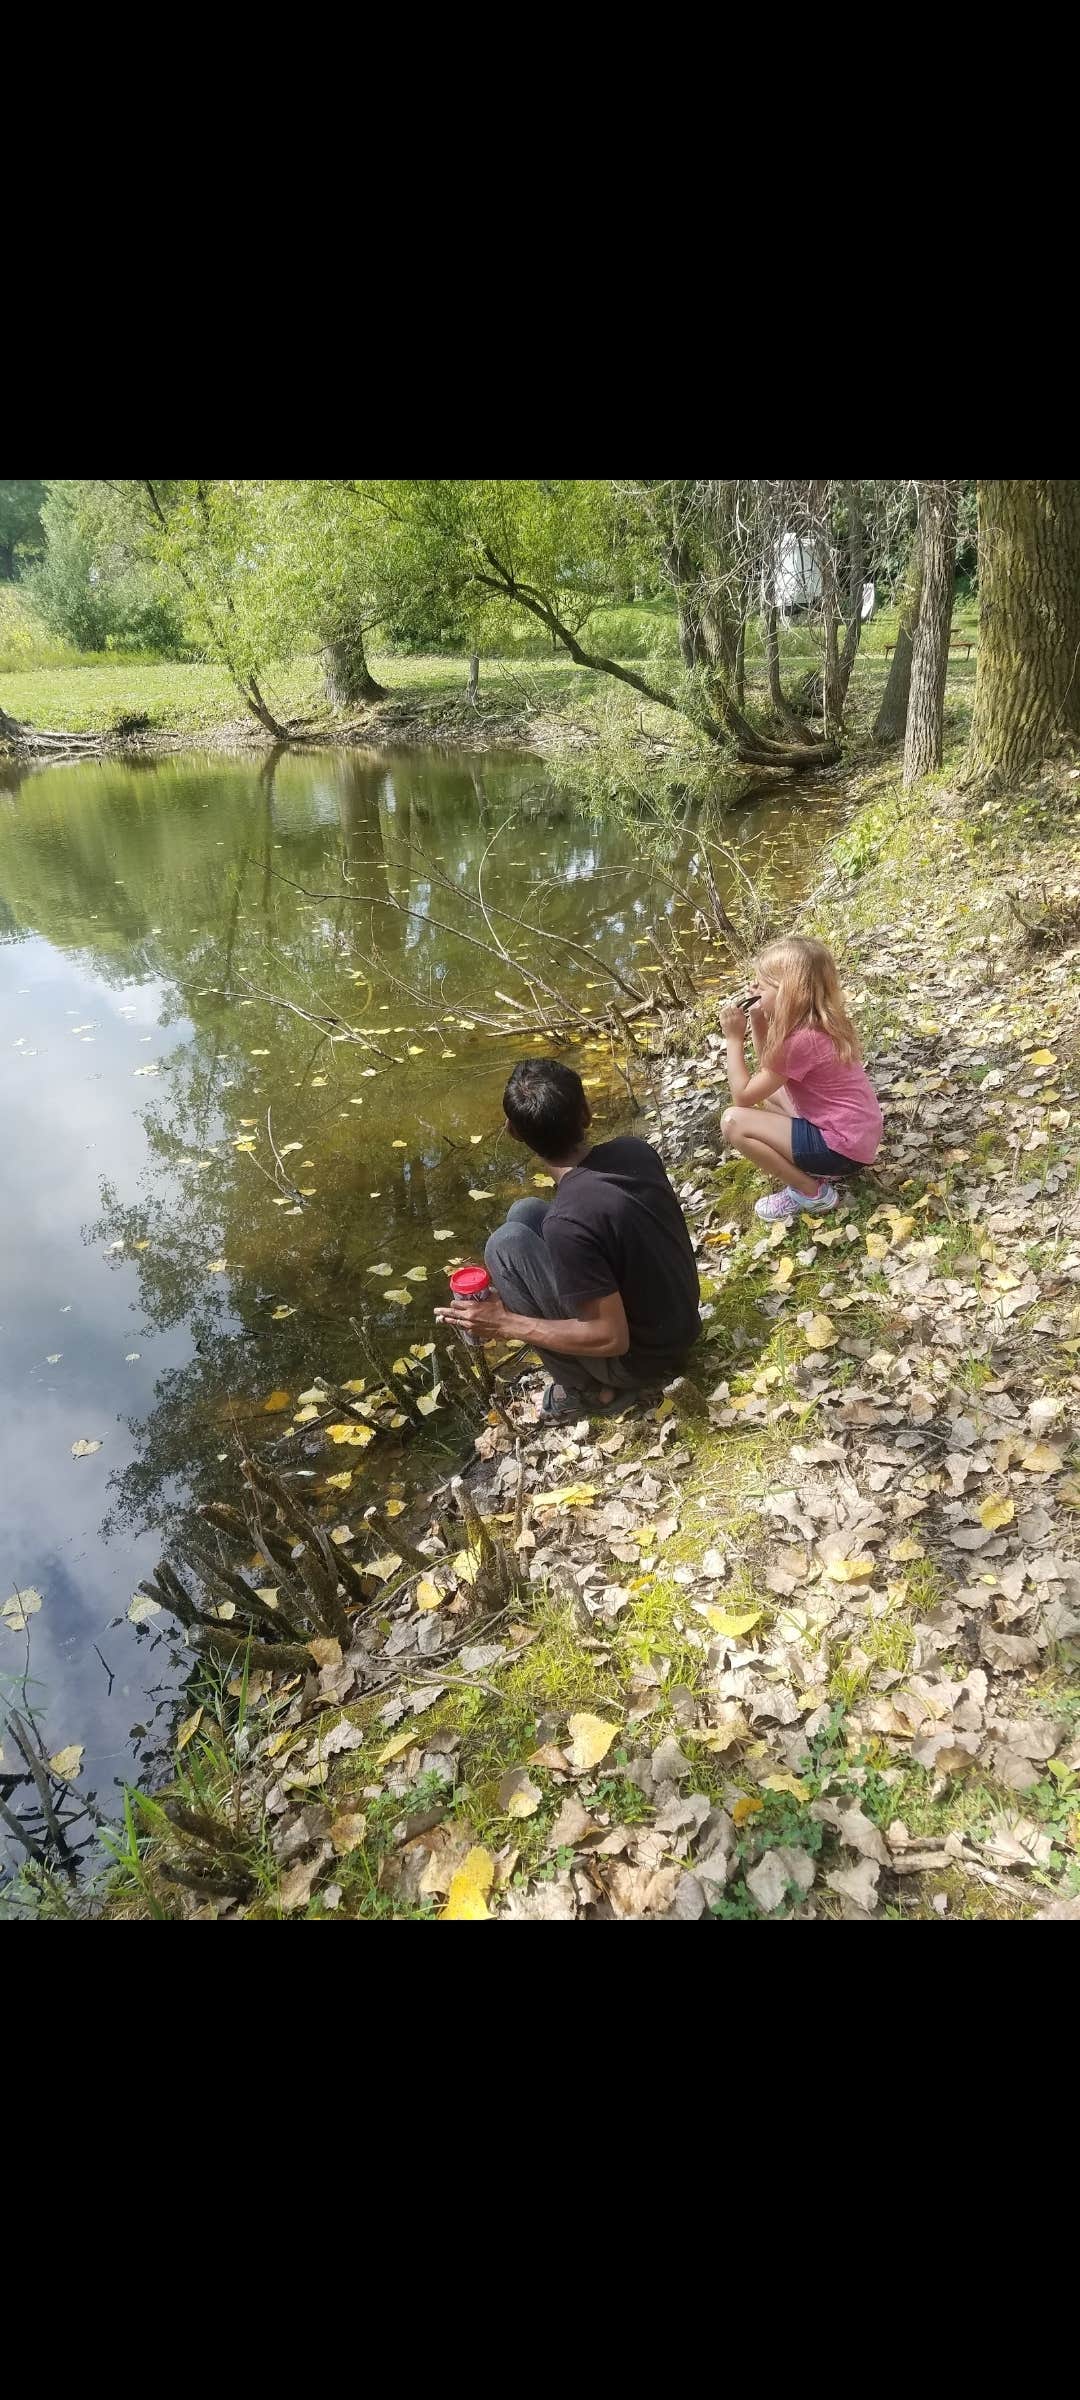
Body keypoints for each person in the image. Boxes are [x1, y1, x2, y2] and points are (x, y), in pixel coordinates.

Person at [436, 1058, 701, 1419]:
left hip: (643, 1359)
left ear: (514, 1133)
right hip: (680, 1325)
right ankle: (597, 1376)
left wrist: (504, 1322)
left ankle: (595, 1391)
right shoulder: (634, 1150)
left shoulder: (569, 1223)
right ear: (586, 1113)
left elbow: (612, 1337)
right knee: (526, 1212)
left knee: (505, 1244)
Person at [720, 936, 882, 1222]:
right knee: (770, 1095)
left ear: (789, 992)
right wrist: (758, 1022)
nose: (754, 988)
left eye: (762, 984)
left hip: (840, 1149)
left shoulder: (801, 1041)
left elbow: (743, 1096)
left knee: (733, 1121)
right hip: (855, 1139)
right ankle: (816, 1168)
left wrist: (733, 1039)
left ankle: (811, 1192)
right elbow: (769, 1072)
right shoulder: (818, 1024)